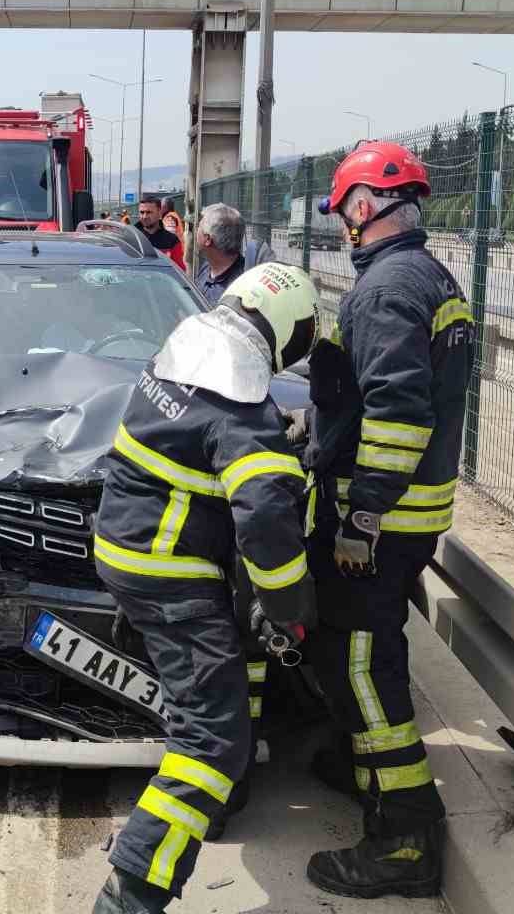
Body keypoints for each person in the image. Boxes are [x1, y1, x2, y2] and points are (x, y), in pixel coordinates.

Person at [91, 263, 317, 914]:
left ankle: (217, 805)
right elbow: (268, 522)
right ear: (284, 331)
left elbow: (198, 441)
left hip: (125, 546)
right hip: (169, 569)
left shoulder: (188, 354)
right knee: (212, 740)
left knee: (217, 696)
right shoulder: (242, 414)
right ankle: (131, 894)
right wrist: (290, 606)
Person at [298, 141, 471, 900]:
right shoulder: (429, 277)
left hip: (379, 522)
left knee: (364, 666)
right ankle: (359, 764)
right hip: (412, 513)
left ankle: (404, 835)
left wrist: (361, 513)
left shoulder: (385, 290)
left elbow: (397, 413)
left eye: (343, 211)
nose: (344, 224)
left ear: (363, 207)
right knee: (354, 653)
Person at [193, 203, 248, 306]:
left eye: (198, 227)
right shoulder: (208, 266)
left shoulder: (239, 288)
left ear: (207, 239)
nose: (196, 231)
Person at [135, 194, 185, 268]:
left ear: (159, 212)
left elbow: (179, 270)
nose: (144, 216)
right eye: (142, 212)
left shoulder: (172, 241)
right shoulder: (131, 236)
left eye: (149, 212)